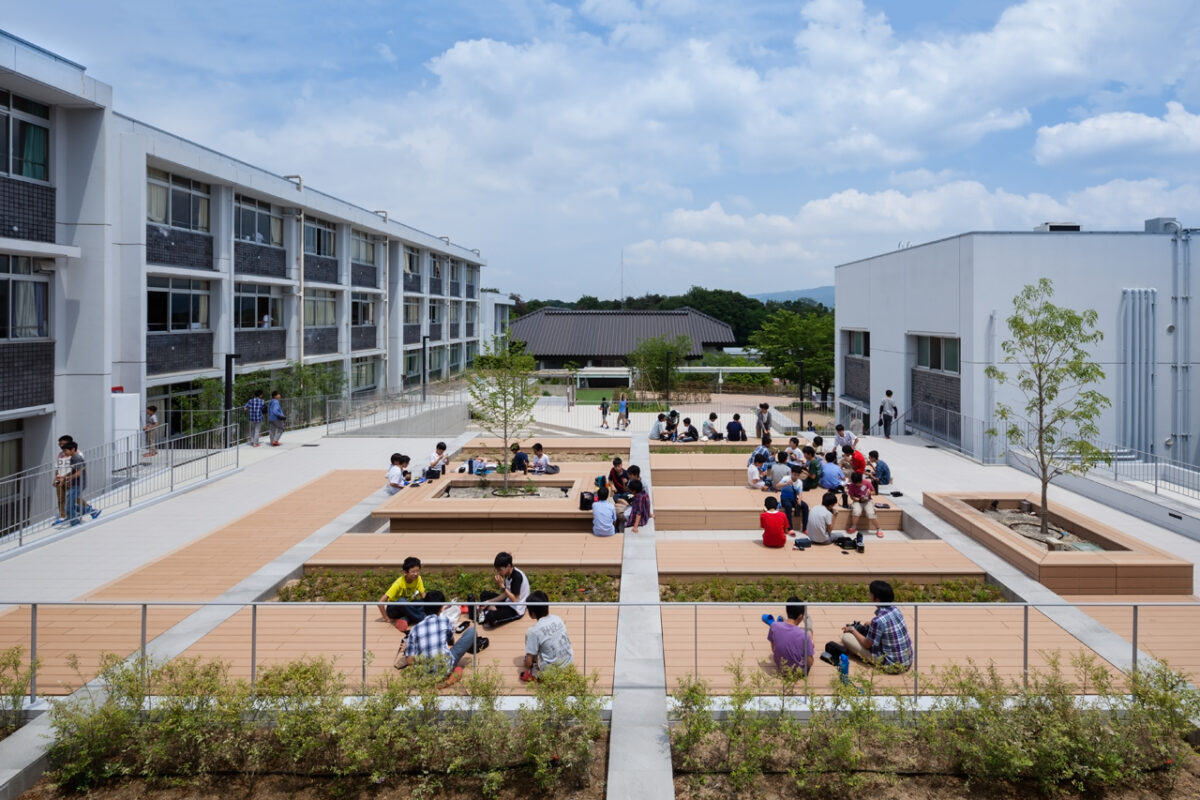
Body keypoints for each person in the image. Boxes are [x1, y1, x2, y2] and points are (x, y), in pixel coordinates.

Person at [822, 580, 913, 672]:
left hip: (891, 666)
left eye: (870, 594)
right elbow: (887, 624)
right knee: (867, 628)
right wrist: (871, 624)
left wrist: (853, 630)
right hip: (906, 661)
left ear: (876, 599)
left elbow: (867, 645)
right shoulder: (896, 610)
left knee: (846, 638)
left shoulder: (878, 621)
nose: (869, 595)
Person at [400, 590, 483, 688]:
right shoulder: (444, 621)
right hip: (444, 667)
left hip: (424, 674)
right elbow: (451, 641)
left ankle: (437, 679)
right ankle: (446, 681)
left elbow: (410, 661)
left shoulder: (415, 629)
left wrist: (409, 651)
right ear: (441, 608)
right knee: (472, 631)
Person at [520, 591, 574, 681]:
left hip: (553, 671)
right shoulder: (558, 618)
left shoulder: (535, 631)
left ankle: (536, 675)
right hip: (568, 663)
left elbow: (528, 663)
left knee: (529, 633)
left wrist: (528, 662)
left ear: (532, 613)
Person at [477, 552, 530, 629]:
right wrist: (490, 601)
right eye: (497, 570)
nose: (498, 572)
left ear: (508, 566)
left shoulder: (517, 577)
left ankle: (488, 612)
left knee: (491, 617)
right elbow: (506, 594)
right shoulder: (508, 574)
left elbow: (515, 600)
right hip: (508, 601)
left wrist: (502, 586)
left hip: (516, 609)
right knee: (484, 595)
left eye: (500, 570)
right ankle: (489, 609)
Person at [764, 597, 815, 675]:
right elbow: (810, 663)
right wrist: (810, 644)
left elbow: (773, 649)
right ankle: (807, 620)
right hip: (799, 672)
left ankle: (783, 621)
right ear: (800, 617)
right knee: (808, 630)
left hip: (781, 668)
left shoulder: (774, 626)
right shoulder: (805, 636)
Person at [377, 556, 427, 631]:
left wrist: (429, 604)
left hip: (408, 606)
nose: (416, 574)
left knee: (424, 601)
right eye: (413, 572)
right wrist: (387, 618)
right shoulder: (398, 583)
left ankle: (405, 619)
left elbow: (423, 595)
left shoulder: (418, 579)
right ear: (405, 573)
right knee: (402, 601)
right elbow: (380, 602)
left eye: (417, 571)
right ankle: (422, 619)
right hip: (394, 609)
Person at [61, 442, 100, 526]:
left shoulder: (77, 458)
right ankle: (91, 511)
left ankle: (75, 522)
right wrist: (64, 476)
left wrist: (68, 478)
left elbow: (78, 473)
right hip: (75, 484)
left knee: (68, 506)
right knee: (69, 505)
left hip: (79, 484)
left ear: (73, 449)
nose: (64, 453)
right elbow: (73, 471)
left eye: (66, 451)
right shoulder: (72, 458)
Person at [846, 471, 883, 538]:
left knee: (870, 514)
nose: (858, 485)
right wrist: (859, 499)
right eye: (856, 484)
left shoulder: (867, 482)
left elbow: (874, 492)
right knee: (856, 511)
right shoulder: (851, 485)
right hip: (858, 501)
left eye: (859, 483)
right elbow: (852, 497)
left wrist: (870, 493)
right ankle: (854, 527)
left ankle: (878, 529)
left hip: (868, 500)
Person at [779, 466, 809, 533]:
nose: (796, 476)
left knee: (805, 506)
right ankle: (790, 528)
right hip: (785, 498)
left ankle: (804, 528)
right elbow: (777, 485)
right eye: (794, 474)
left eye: (798, 475)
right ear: (791, 473)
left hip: (794, 498)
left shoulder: (799, 482)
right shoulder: (786, 478)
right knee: (788, 506)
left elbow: (800, 493)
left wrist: (800, 500)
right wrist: (786, 483)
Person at [52, 435, 74, 526]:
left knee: (74, 498)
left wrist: (64, 477)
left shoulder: (73, 454)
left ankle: (88, 510)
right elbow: (57, 467)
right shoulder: (60, 454)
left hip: (69, 479)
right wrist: (55, 478)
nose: (61, 445)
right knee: (61, 498)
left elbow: (74, 468)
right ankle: (63, 516)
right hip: (60, 479)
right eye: (59, 444)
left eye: (63, 443)